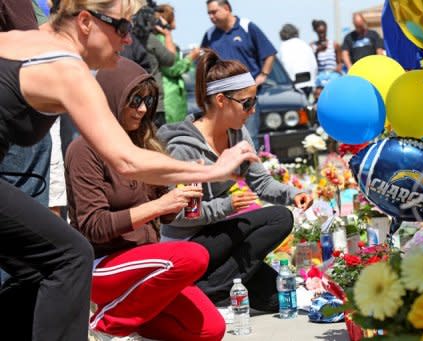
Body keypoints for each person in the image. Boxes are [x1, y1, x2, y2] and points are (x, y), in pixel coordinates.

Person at [0, 0, 257, 339]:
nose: (127, 40)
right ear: (86, 21)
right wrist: (213, 170)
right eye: (122, 27)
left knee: (36, 267)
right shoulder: (65, 66)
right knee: (71, 256)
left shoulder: (19, 39)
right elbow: (127, 160)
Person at [65, 57, 225, 340]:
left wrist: (180, 198)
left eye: (148, 102)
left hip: (146, 264)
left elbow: (165, 216)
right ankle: (103, 325)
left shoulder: (143, 145)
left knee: (211, 330)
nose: (142, 109)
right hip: (102, 265)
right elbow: (93, 225)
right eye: (135, 99)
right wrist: (159, 205)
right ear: (112, 98)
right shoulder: (84, 149)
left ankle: (133, 326)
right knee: (193, 256)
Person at [158, 49, 314, 313]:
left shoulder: (237, 134)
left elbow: (262, 183)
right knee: (279, 218)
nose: (252, 111)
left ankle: (209, 287)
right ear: (221, 100)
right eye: (247, 103)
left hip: (219, 238)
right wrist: (227, 206)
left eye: (254, 102)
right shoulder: (184, 148)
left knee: (275, 299)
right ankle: (212, 291)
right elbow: (180, 214)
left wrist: (293, 193)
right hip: (187, 244)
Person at [201, 0, 277, 148]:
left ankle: (249, 169)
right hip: (221, 97)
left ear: (227, 8)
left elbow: (269, 53)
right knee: (225, 138)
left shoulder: (247, 27)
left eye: (214, 12)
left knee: (248, 137)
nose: (211, 16)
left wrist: (263, 74)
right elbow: (203, 61)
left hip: (246, 96)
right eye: (209, 13)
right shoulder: (210, 34)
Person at [155, 4, 200, 123]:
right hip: (169, 95)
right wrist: (191, 57)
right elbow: (172, 68)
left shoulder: (163, 38)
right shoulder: (162, 38)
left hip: (173, 94)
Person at [279, 23, 317, 99]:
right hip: (309, 81)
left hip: (294, 83)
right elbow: (314, 64)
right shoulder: (304, 44)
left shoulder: (284, 46)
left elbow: (284, 65)